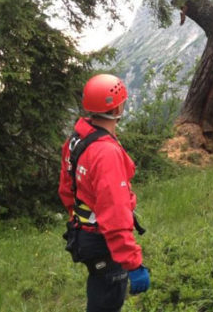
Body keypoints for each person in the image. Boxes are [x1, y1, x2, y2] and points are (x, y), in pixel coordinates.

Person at [59, 73, 150, 312]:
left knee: (100, 292)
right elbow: (115, 215)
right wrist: (133, 264)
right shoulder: (105, 153)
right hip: (103, 242)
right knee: (107, 299)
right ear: (118, 108)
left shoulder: (77, 140)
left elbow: (66, 189)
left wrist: (80, 220)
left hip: (84, 234)